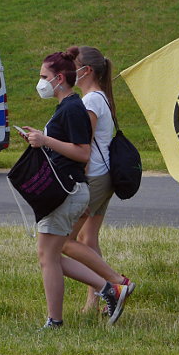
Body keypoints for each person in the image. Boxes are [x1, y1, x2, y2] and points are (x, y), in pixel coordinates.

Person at [22, 51, 129, 329]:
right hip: (68, 188)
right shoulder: (68, 106)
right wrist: (40, 140)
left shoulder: (73, 107)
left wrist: (44, 139)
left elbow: (83, 152)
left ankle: (107, 289)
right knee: (51, 256)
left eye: (44, 77)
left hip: (66, 189)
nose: (40, 82)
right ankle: (107, 289)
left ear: (59, 78)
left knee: (51, 256)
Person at [62, 45, 135, 313]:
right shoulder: (99, 96)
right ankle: (96, 300)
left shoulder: (90, 100)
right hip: (103, 178)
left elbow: (84, 143)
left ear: (86, 70)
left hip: (92, 177)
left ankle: (117, 283)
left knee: (64, 242)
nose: (69, 71)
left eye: (73, 66)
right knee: (88, 240)